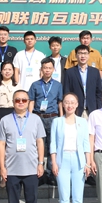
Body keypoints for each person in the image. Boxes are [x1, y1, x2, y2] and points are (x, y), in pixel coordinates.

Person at [0, 90, 46, 203]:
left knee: (32, 201)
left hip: (31, 168)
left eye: (24, 100)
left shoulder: (35, 119)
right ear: (13, 102)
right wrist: (2, 167)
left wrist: (40, 163)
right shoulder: (5, 120)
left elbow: (40, 142)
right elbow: (1, 144)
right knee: (13, 202)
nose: (20, 102)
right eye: (17, 100)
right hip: (12, 169)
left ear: (28, 102)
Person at [49, 93, 91, 203]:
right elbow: (53, 143)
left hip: (79, 161)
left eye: (73, 102)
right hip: (63, 160)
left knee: (78, 196)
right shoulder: (57, 122)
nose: (70, 105)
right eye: (67, 102)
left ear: (77, 104)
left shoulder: (82, 122)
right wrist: (54, 162)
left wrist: (88, 163)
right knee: (64, 195)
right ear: (63, 104)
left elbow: (86, 143)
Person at [28, 58, 63, 186]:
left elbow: (60, 102)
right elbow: (31, 101)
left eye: (49, 68)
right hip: (38, 117)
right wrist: (30, 117)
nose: (47, 70)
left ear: (53, 69)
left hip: (53, 117)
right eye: (45, 68)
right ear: (41, 69)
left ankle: (51, 173)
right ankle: (39, 173)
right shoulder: (35, 85)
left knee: (52, 145)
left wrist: (61, 118)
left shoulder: (58, 85)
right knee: (39, 145)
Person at [63, 45, 102, 119]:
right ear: (76, 55)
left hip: (92, 110)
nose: (83, 56)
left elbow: (99, 93)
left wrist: (99, 110)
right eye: (80, 53)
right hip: (75, 111)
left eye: (85, 53)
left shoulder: (95, 72)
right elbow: (66, 92)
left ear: (88, 55)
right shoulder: (69, 72)